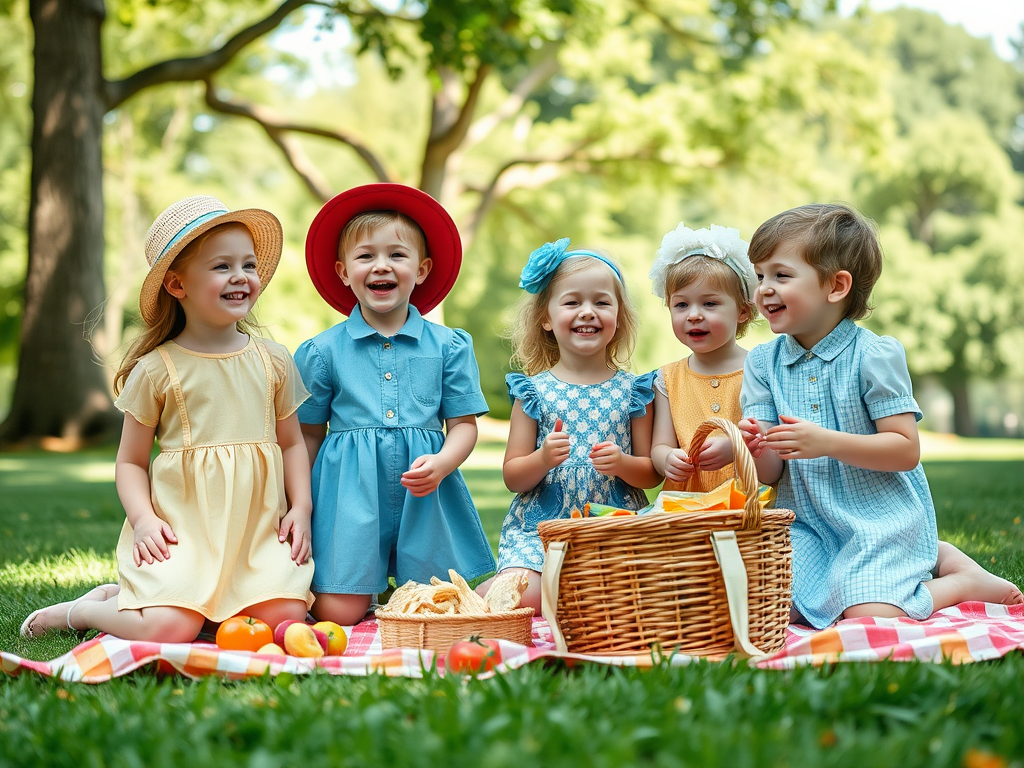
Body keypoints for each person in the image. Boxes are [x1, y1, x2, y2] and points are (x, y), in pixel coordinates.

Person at [21, 196, 314, 641]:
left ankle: (191, 602)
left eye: (249, 265)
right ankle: (86, 612)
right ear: (177, 285)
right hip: (184, 535)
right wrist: (143, 520)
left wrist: (302, 507)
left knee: (284, 618)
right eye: (222, 267)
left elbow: (292, 443)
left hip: (255, 535)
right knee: (170, 628)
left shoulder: (273, 360)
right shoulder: (158, 369)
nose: (241, 277)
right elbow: (130, 462)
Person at [738, 203, 1023, 629]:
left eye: (781, 275)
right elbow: (771, 474)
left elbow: (905, 450)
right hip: (811, 526)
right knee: (769, 604)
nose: (764, 289)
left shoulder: (873, 356)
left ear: (836, 287)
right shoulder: (763, 363)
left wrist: (826, 442)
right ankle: (930, 556)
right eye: (760, 276)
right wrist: (757, 447)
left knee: (870, 616)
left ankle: (959, 580)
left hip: (880, 522)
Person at [296, 184, 495, 626]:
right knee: (339, 612)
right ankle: (358, 586)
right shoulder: (321, 352)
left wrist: (443, 462)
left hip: (426, 492)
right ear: (343, 271)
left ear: (422, 270)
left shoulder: (449, 346)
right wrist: (299, 502)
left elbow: (463, 425)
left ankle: (403, 587)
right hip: (348, 493)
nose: (381, 266)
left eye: (397, 256)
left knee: (437, 606)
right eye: (365, 256)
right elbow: (306, 434)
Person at [478, 238, 662, 612]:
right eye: (573, 302)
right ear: (546, 317)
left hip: (613, 533)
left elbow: (650, 474)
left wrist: (623, 464)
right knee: (517, 595)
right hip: (541, 534)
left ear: (619, 317)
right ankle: (494, 598)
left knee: (628, 596)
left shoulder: (634, 392)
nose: (588, 312)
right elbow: (513, 476)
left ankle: (578, 598)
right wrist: (543, 458)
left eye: (602, 302)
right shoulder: (532, 391)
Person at [648, 222, 758, 492]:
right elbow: (660, 445)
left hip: (745, 503)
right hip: (685, 508)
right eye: (681, 304)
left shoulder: (759, 368)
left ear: (742, 311)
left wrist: (736, 446)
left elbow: (766, 432)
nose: (694, 314)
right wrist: (666, 459)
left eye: (710, 303)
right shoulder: (667, 379)